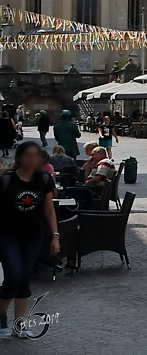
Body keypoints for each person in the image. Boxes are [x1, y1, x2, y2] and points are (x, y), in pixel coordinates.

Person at [0, 141, 58, 338]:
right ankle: (1, 317)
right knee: (13, 277)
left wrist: (55, 236)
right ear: (19, 158)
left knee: (24, 279)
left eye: (36, 155)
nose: (32, 159)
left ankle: (19, 323)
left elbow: (49, 210)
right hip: (7, 236)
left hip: (33, 236)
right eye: (28, 155)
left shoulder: (44, 179)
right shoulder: (6, 180)